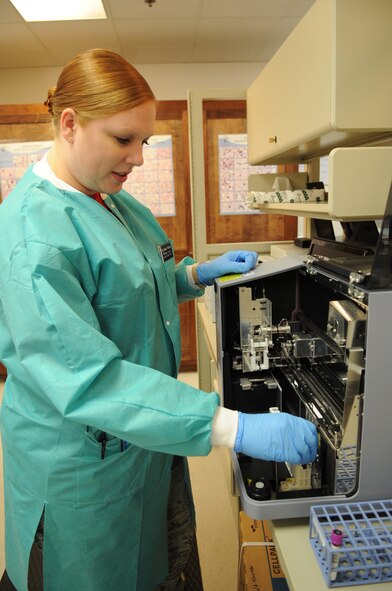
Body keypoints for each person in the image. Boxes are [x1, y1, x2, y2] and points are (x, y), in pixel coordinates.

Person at [0, 49, 317, 591]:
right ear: (70, 123)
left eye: (143, 142)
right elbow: (86, 377)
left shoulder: (111, 200)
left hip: (144, 432)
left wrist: (194, 275)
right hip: (82, 456)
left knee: (160, 562)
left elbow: (129, 287)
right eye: (124, 140)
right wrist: (232, 425)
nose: (139, 159)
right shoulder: (33, 236)